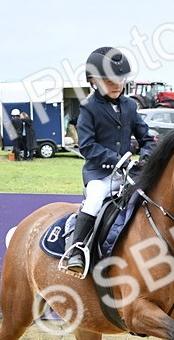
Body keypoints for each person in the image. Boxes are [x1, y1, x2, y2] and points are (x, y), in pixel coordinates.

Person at [61, 46, 157, 276]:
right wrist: (117, 161)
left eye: (121, 79)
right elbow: (87, 146)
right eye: (110, 80)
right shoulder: (88, 108)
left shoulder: (130, 106)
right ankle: (77, 250)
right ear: (94, 81)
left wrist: (146, 156)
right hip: (100, 174)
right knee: (94, 201)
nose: (117, 84)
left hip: (128, 175)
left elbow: (146, 137)